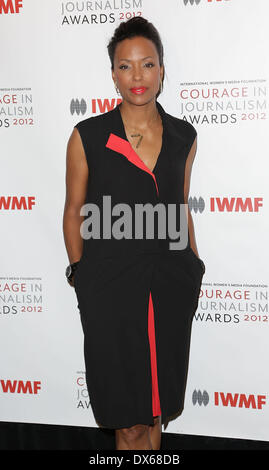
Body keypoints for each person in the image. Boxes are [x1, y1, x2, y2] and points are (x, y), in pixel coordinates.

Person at [63, 16, 205, 451]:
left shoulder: (185, 136)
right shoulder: (87, 136)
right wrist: (80, 274)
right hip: (108, 289)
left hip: (168, 286)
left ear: (162, 71)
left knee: (155, 414)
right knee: (127, 422)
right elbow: (73, 211)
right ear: (113, 74)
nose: (137, 76)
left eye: (147, 64)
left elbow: (180, 206)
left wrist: (193, 268)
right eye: (125, 66)